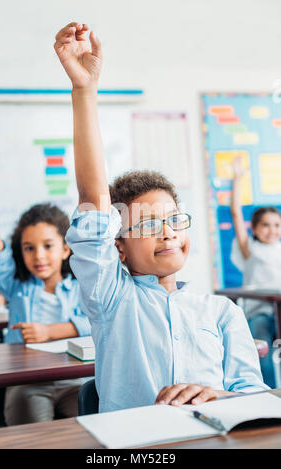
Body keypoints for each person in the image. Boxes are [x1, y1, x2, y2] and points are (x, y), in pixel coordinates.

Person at [54, 22, 268, 413]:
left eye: (173, 220)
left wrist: (220, 396)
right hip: (136, 445)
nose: (167, 233)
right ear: (117, 247)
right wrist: (85, 91)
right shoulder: (111, 298)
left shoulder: (222, 312)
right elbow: (92, 201)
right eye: (149, 225)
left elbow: (252, 394)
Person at [0, 141, 91, 425]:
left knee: (90, 429)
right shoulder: (16, 284)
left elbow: (99, 323)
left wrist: (49, 331)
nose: (38, 256)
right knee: (36, 436)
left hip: (75, 379)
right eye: (29, 248)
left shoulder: (82, 284)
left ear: (66, 248)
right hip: (29, 383)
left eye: (47, 246)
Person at [230, 156, 281, 388]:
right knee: (264, 355)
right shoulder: (250, 248)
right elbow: (235, 215)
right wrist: (237, 180)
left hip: (279, 310)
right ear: (255, 229)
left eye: (277, 225)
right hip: (260, 312)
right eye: (266, 225)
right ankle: (269, 392)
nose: (272, 230)